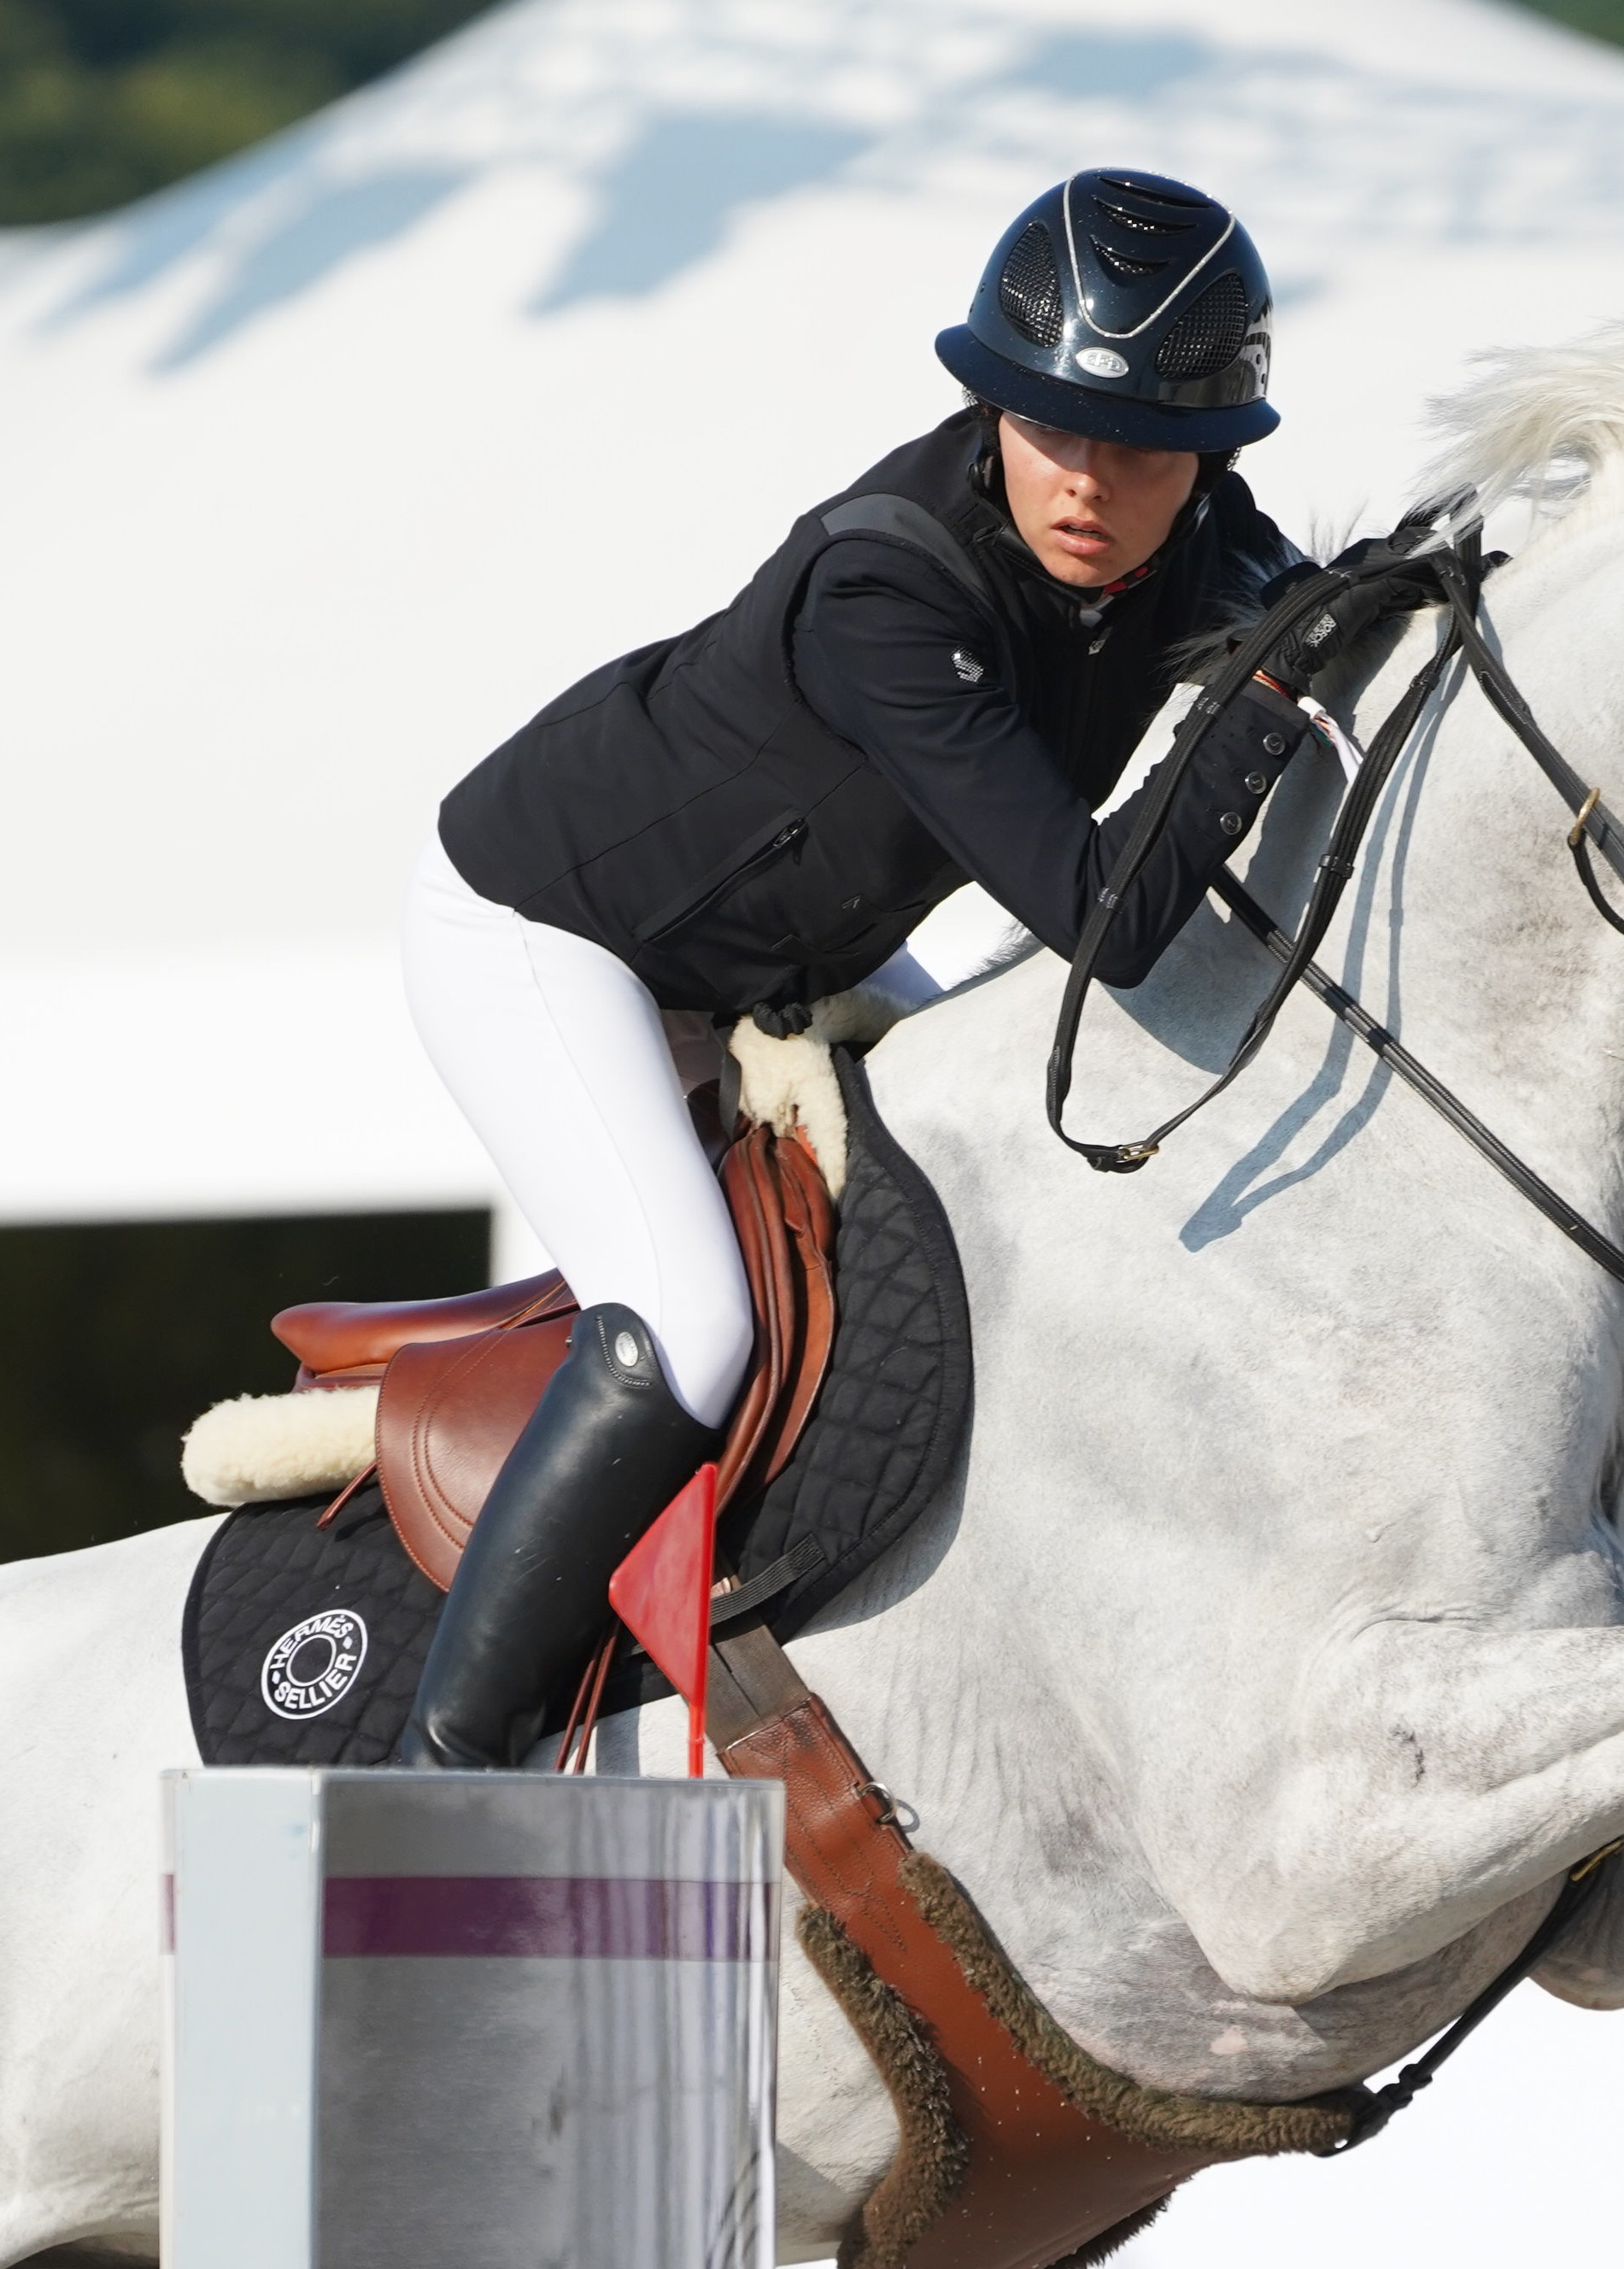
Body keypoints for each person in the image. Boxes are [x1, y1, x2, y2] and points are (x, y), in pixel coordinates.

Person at [397, 167, 1325, 1768]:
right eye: (1051, 433)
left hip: (774, 969)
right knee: (691, 1321)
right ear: (991, 411)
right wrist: (1263, 705)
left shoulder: (1197, 544)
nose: (1089, 485)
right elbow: (1104, 921)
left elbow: (1314, 611)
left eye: (1143, 453)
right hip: (550, 934)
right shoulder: (890, 586)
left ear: (1208, 461)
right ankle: (452, 1761)